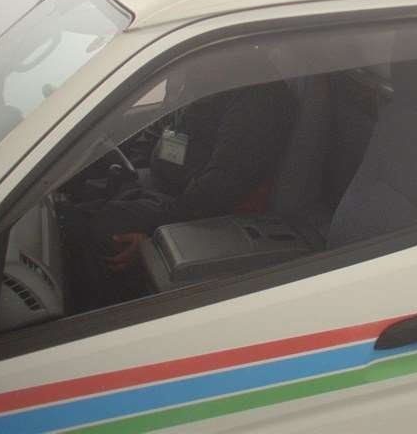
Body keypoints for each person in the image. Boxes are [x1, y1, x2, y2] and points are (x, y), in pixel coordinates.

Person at [61, 79, 298, 311]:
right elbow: (163, 132)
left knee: (89, 229)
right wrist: (132, 170)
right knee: (75, 205)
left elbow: (219, 188)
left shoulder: (257, 99)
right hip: (163, 188)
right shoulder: (202, 82)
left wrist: (155, 237)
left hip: (200, 213)